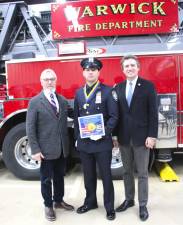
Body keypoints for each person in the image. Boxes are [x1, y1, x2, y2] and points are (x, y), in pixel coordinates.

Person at [26, 68, 74, 221]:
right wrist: (35, 149)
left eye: (52, 79)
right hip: (45, 149)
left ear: (56, 81)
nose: (49, 82)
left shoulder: (62, 100)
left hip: (61, 148)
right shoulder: (34, 102)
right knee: (46, 179)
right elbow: (30, 127)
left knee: (59, 176)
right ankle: (48, 205)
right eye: (46, 79)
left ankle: (58, 201)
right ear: (41, 82)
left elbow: (75, 114)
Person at [114, 55, 158, 221]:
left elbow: (153, 114)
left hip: (142, 138)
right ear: (123, 70)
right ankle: (129, 199)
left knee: (142, 173)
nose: (130, 68)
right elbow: (116, 114)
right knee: (126, 171)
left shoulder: (148, 86)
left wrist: (152, 135)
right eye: (127, 66)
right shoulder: (118, 88)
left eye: (132, 65)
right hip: (124, 138)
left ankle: (142, 204)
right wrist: (114, 135)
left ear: (138, 67)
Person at [74, 57, 118, 220]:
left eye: (93, 69)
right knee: (88, 175)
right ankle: (90, 202)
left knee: (106, 176)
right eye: (87, 69)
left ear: (99, 71)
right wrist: (77, 138)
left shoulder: (108, 91)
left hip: (102, 143)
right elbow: (78, 117)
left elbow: (114, 117)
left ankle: (109, 207)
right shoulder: (78, 92)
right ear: (83, 72)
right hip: (85, 143)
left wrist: (104, 132)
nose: (90, 72)